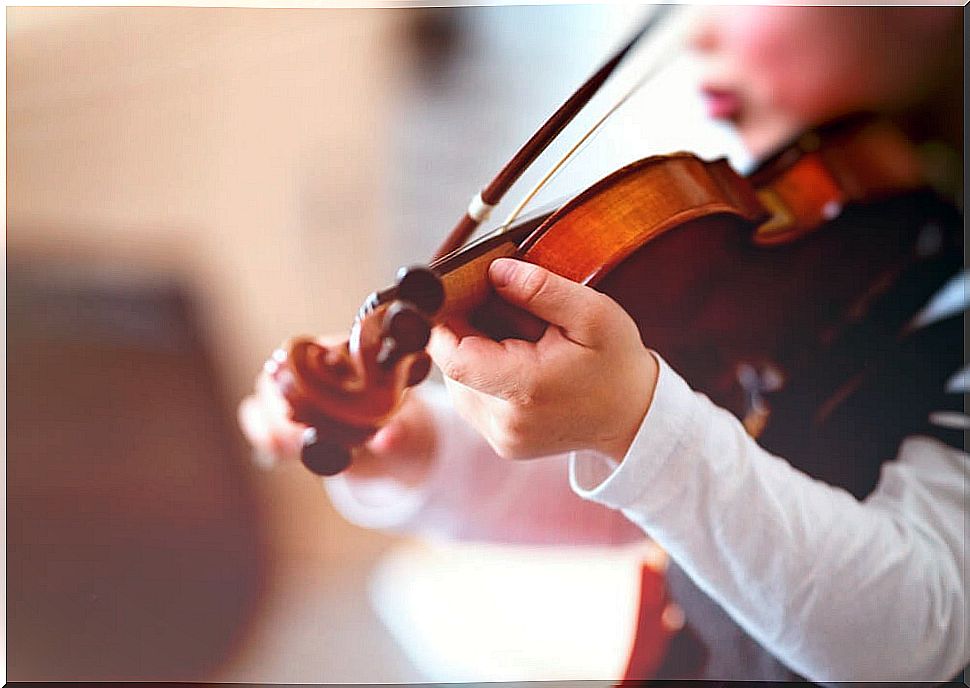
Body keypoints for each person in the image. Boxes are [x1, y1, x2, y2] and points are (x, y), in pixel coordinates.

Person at [239, 6, 966, 682]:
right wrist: (420, 449)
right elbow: (666, 501)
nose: (699, 33)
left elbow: (921, 631)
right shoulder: (827, 246)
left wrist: (635, 422)